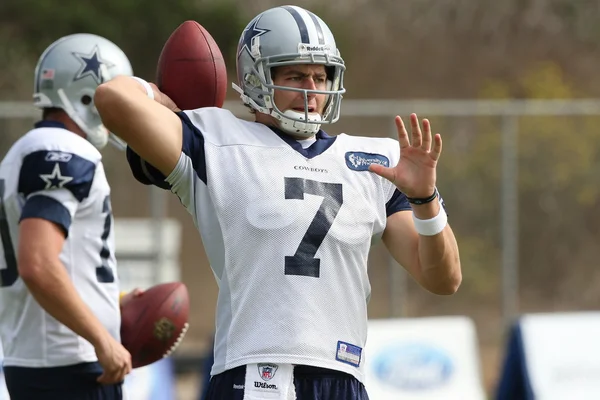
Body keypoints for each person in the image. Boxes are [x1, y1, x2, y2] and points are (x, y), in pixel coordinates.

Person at [95, 5, 462, 399]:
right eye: (295, 75)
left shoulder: (377, 161)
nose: (312, 90)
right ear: (256, 77)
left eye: (321, 77)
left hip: (343, 375)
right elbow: (112, 97)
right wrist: (160, 97)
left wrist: (425, 200)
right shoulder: (214, 139)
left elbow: (443, 279)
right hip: (253, 370)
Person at [0, 33, 138, 400]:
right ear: (88, 95)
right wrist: (100, 339)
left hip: (37, 357)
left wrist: (109, 301)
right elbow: (37, 263)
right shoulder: (62, 150)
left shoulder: (22, 153)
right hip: (70, 365)